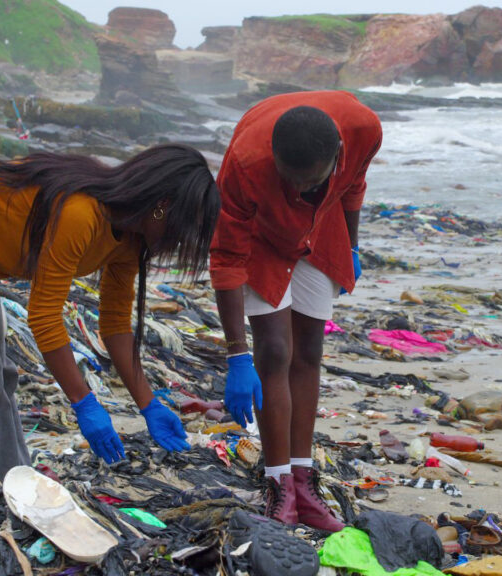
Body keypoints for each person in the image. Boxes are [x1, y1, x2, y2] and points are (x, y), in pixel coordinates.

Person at [0, 144, 220, 497]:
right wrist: (84, 403)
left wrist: (149, 404)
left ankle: (10, 486)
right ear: (162, 206)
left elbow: (116, 324)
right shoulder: (82, 213)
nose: (179, 242)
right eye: (184, 227)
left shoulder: (130, 240)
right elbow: (44, 316)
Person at [211, 91, 382, 530]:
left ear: (336, 155)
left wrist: (353, 243)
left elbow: (354, 187)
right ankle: (278, 485)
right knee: (273, 350)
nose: (296, 188)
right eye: (289, 178)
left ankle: (304, 483)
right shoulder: (246, 165)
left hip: (323, 226)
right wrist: (236, 356)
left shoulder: (364, 132)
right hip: (263, 237)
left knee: (308, 351)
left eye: (307, 180)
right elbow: (227, 258)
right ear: (274, 157)